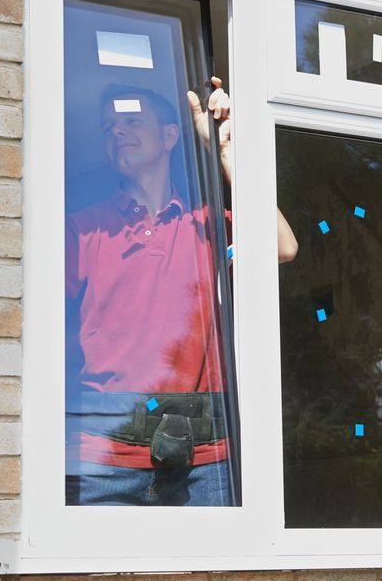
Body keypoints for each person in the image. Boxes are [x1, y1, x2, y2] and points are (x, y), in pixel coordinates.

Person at [65, 78, 297, 506]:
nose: (116, 131)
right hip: (103, 458)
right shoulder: (84, 229)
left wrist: (225, 153)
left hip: (204, 459)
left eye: (132, 121)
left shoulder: (207, 224)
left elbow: (283, 246)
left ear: (170, 135)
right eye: (108, 126)